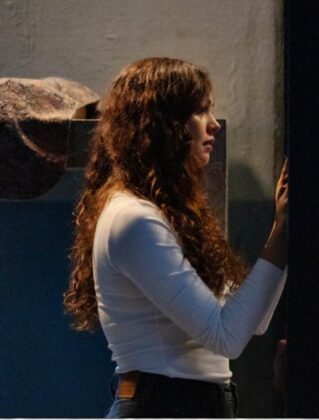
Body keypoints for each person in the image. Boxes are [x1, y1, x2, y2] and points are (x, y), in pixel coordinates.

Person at [63, 57, 288, 418]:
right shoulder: (134, 219)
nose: (214, 124)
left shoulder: (166, 214)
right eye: (200, 111)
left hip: (184, 403)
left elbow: (251, 322)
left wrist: (283, 228)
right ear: (162, 125)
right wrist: (283, 231)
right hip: (164, 404)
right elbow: (227, 337)